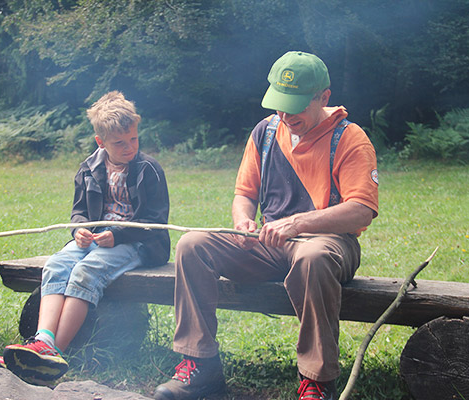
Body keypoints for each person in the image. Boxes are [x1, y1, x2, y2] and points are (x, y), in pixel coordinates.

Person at [153, 51, 378, 400]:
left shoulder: (349, 139)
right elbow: (244, 193)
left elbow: (362, 210)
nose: (286, 116)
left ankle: (317, 382)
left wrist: (297, 223)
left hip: (328, 244)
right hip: (268, 241)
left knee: (313, 258)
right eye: (280, 105)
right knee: (193, 245)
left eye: (296, 106)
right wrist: (242, 220)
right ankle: (201, 367)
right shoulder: (266, 132)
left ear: (324, 97)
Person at [0, 91, 170, 385]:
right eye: (119, 143)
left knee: (86, 271)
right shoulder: (89, 168)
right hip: (96, 238)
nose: (129, 147)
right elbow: (79, 213)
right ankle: (42, 339)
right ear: (100, 142)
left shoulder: (148, 170)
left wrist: (116, 236)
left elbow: (153, 222)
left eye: (134, 139)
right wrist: (78, 230)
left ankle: (54, 353)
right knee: (56, 264)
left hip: (137, 243)